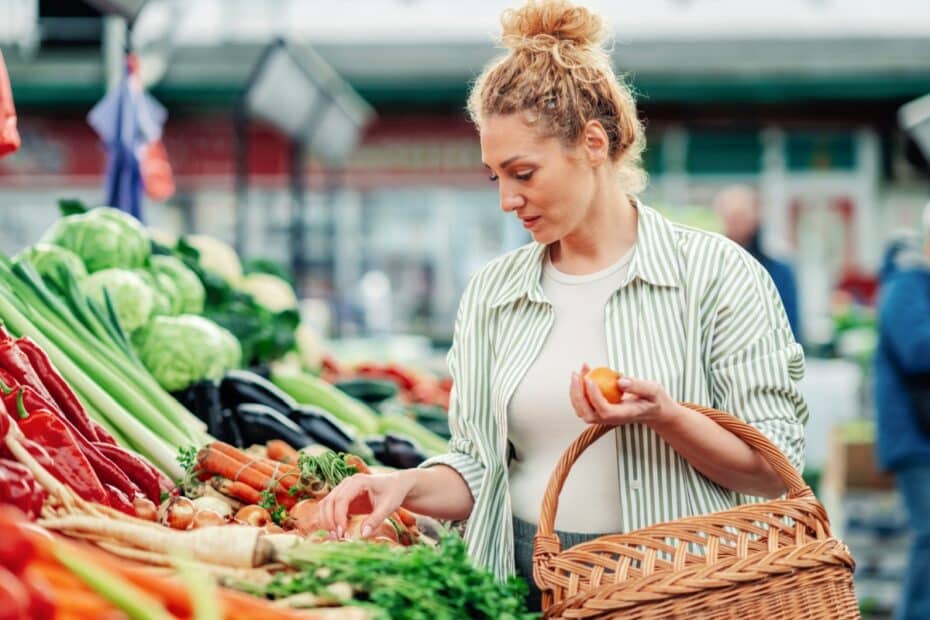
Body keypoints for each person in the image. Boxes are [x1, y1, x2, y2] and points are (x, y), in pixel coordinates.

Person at [318, 0, 808, 610]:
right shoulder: (493, 293)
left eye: (523, 173)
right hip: (527, 585)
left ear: (594, 144)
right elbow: (480, 468)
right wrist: (405, 484)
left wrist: (667, 416)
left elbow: (776, 462)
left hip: (677, 589)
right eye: (495, 177)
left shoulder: (716, 274)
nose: (507, 200)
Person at [874, 206, 930, 620]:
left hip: (920, 433)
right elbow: (917, 350)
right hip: (914, 436)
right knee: (929, 537)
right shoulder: (906, 283)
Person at [713, 185, 802, 342]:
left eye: (741, 215)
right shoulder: (710, 263)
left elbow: (790, 321)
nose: (736, 222)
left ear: (756, 216)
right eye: (730, 216)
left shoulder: (777, 262)